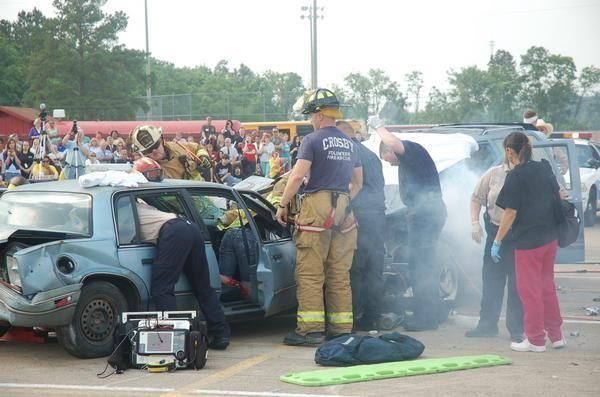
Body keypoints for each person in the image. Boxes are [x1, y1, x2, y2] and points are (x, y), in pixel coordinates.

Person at [276, 88, 362, 346]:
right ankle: (341, 329)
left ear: (319, 114)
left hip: (317, 207)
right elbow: (358, 183)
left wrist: (283, 204)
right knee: (339, 273)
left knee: (311, 272)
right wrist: (344, 203)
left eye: (311, 115)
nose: (310, 120)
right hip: (345, 212)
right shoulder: (350, 143)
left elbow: (297, 176)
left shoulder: (312, 141)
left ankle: (311, 330)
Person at [132, 157, 230, 350]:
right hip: (188, 227)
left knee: (162, 288)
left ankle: (172, 339)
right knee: (203, 287)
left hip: (173, 232)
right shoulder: (145, 202)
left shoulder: (129, 205)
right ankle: (221, 333)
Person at [368, 115, 447, 331]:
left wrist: (377, 125)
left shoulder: (412, 152)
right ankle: (431, 313)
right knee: (423, 264)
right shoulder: (407, 161)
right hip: (424, 215)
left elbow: (392, 141)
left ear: (390, 150)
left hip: (427, 217)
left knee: (421, 266)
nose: (390, 163)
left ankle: (426, 319)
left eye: (387, 159)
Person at [493, 132, 566, 352]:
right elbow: (558, 195)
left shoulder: (516, 176)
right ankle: (557, 336)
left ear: (509, 151)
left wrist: (497, 241)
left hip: (528, 243)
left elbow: (510, 213)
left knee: (529, 291)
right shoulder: (543, 167)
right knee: (546, 288)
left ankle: (535, 340)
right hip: (549, 238)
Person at [466, 155, 524, 342]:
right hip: (494, 233)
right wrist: (475, 222)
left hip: (518, 237)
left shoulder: (525, 174)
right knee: (491, 282)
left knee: (516, 286)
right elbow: (476, 199)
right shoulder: (493, 174)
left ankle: (516, 329)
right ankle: (487, 325)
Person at [337, 120, 386, 331]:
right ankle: (373, 316)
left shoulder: (348, 152)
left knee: (355, 268)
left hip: (360, 215)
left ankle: (354, 317)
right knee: (374, 268)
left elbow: (347, 185)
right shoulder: (371, 154)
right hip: (378, 215)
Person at [130, 125, 202, 180]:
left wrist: (203, 156)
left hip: (202, 191)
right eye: (148, 151)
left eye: (156, 146)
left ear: (161, 139)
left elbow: (198, 148)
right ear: (142, 153)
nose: (154, 151)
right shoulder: (145, 170)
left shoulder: (177, 146)